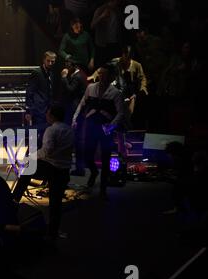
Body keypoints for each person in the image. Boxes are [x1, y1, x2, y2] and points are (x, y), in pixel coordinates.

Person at [13, 105, 73, 240]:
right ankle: (53, 231)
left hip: (51, 167)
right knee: (56, 203)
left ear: (52, 115)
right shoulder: (69, 129)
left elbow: (47, 151)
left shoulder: (51, 130)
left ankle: (14, 201)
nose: (46, 115)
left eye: (47, 113)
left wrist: (30, 156)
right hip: (64, 169)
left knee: (27, 171)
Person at [72, 64, 129, 199]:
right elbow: (82, 103)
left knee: (105, 158)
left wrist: (111, 126)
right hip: (91, 126)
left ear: (110, 76)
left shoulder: (115, 93)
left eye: (105, 74)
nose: (102, 76)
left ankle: (103, 188)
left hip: (105, 128)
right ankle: (93, 172)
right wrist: (75, 118)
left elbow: (121, 113)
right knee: (87, 155)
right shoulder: (91, 88)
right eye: (100, 73)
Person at [60, 58, 88, 176]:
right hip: (76, 110)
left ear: (73, 66)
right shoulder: (80, 74)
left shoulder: (77, 77)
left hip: (75, 111)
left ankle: (79, 167)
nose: (65, 67)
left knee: (75, 139)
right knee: (75, 139)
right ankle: (77, 166)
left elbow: (70, 90)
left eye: (67, 65)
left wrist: (64, 77)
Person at [25, 51, 58, 144]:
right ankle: (32, 155)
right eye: (48, 61)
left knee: (45, 134)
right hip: (38, 109)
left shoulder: (51, 73)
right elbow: (29, 92)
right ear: (44, 60)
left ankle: (40, 155)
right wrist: (28, 110)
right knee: (36, 134)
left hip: (48, 109)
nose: (50, 63)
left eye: (52, 61)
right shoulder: (37, 72)